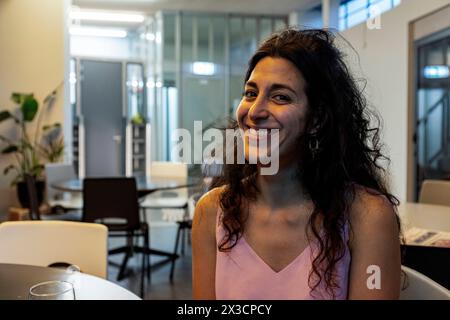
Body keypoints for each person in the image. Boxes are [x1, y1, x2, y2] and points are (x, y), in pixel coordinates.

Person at [192, 28, 401, 300]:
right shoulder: (211, 212)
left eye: (281, 97)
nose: (255, 111)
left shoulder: (367, 216)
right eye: (251, 93)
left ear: (316, 120)